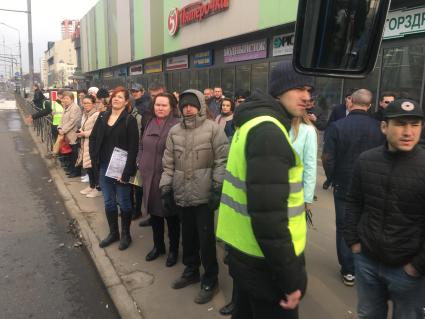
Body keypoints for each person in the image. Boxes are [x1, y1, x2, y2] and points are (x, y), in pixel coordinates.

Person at [216, 60, 311, 319]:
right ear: (279, 90)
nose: (307, 97)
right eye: (299, 88)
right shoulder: (268, 132)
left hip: (247, 254)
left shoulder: (254, 122)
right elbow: (269, 218)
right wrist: (291, 277)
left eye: (309, 90)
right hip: (266, 265)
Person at [344, 99, 425, 319]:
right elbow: (353, 202)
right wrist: (354, 243)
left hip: (409, 270)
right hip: (367, 261)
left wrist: (417, 266)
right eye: (400, 124)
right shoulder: (366, 161)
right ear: (384, 127)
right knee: (369, 314)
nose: (408, 132)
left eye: (415, 125)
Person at [160, 89, 228, 304]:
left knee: (205, 239)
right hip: (182, 193)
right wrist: (165, 188)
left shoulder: (213, 129)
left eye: (192, 104)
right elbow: (168, 163)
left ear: (200, 105)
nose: (188, 108)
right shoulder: (174, 132)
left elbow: (222, 161)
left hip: (204, 196)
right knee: (187, 236)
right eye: (184, 105)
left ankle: (211, 278)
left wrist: (217, 187)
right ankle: (191, 270)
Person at [322, 89, 385, 286]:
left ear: (351, 103)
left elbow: (327, 158)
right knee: (368, 224)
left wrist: (331, 178)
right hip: (372, 185)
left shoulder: (336, 127)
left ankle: (348, 270)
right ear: (370, 105)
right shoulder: (380, 128)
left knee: (344, 225)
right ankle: (366, 267)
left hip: (344, 183)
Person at [89, 86, 139, 251]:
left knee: (124, 202)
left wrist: (126, 172)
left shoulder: (129, 120)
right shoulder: (103, 116)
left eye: (120, 97)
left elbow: (133, 148)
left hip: (121, 168)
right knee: (109, 201)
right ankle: (113, 233)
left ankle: (126, 234)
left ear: (126, 101)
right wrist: (93, 156)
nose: (116, 99)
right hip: (103, 166)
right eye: (114, 97)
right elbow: (94, 137)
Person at [138, 93, 180, 266]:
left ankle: (174, 250)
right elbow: (141, 145)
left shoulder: (177, 125)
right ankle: (158, 246)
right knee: (155, 215)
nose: (160, 108)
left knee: (171, 217)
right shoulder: (149, 122)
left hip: (167, 178)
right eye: (157, 105)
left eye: (164, 105)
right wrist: (139, 160)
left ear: (171, 107)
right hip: (149, 176)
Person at [138, 83, 166, 227]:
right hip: (149, 167)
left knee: (166, 204)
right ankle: (152, 217)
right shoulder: (148, 116)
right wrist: (140, 160)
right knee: (151, 197)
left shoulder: (175, 117)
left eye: (158, 95)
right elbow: (142, 140)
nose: (156, 100)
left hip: (165, 168)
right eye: (153, 96)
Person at [290, 115, 317, 210]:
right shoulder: (273, 127)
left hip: (295, 196)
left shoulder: (307, 131)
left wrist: (307, 197)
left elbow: (310, 166)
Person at [77, 95, 100, 198]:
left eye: (87, 103)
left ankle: (97, 188)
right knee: (88, 166)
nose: (85, 105)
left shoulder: (96, 114)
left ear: (94, 104)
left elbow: (96, 131)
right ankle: (91, 185)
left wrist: (84, 133)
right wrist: (81, 131)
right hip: (85, 142)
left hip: (92, 143)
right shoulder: (86, 114)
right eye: (84, 103)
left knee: (93, 167)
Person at [57, 91, 82, 178]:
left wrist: (63, 130)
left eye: (67, 98)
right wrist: (59, 128)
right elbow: (62, 119)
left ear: (72, 99)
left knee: (75, 154)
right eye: (64, 98)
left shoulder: (75, 108)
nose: (65, 100)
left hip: (73, 135)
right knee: (70, 154)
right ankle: (71, 170)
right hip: (66, 135)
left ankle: (76, 172)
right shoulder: (66, 107)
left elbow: (72, 121)